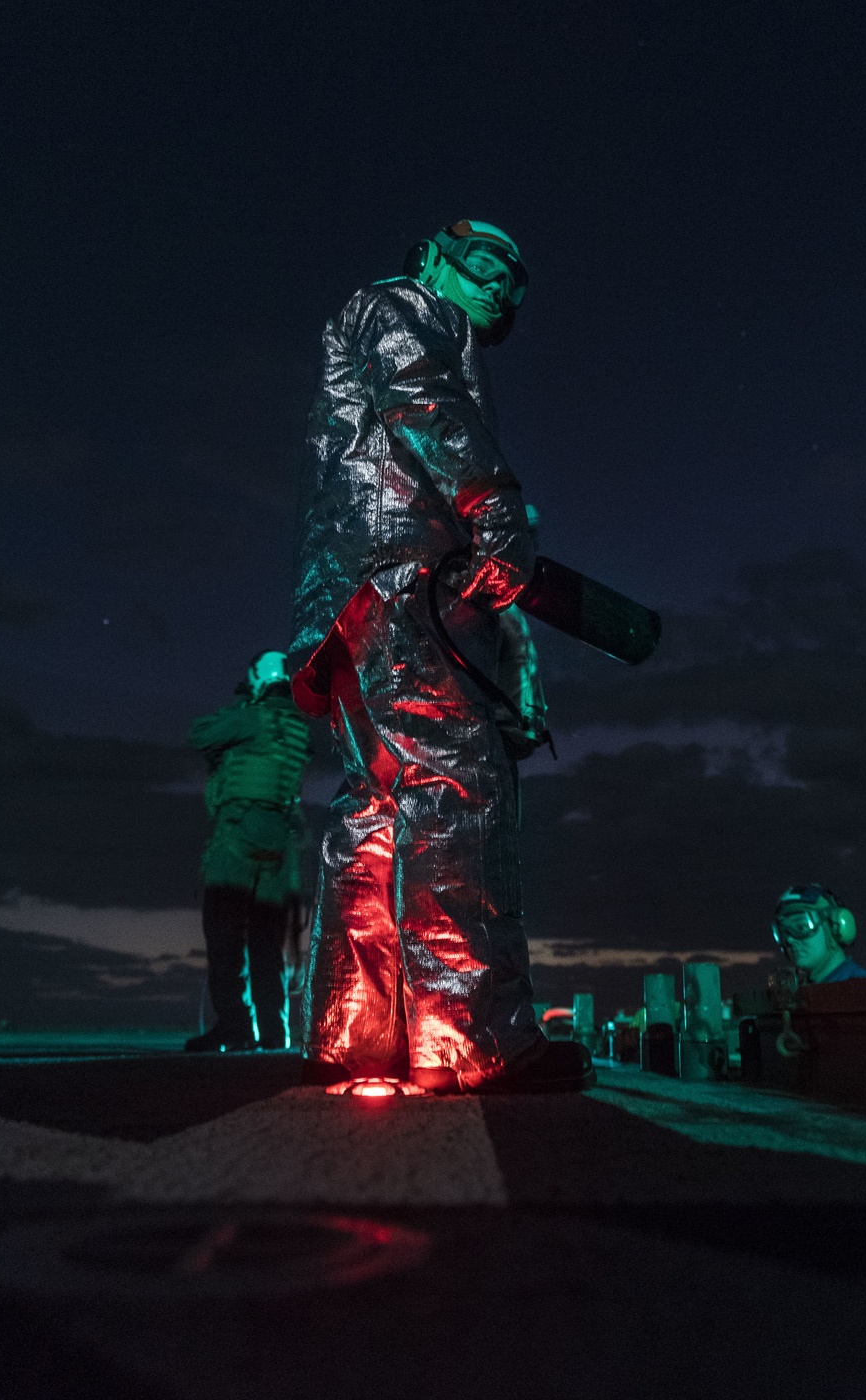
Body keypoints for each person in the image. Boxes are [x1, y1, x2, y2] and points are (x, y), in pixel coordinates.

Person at [289, 218, 592, 1093]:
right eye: (484, 264)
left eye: (512, 279)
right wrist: (496, 508)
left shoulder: (382, 318)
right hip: (409, 578)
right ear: (432, 257)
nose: (500, 284)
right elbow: (426, 400)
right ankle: (475, 1038)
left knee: (377, 805)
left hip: (353, 595)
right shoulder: (402, 307)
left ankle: (356, 1032)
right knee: (459, 784)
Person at [185, 650, 312, 1052]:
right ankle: (274, 1033)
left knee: (223, 932)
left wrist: (241, 705)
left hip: (239, 837)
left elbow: (199, 733)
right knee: (266, 942)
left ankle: (236, 1027)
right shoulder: (296, 727)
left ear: (258, 679)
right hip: (278, 847)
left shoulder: (253, 719)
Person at [771, 883, 866, 984]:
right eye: (784, 932)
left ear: (834, 927)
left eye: (801, 927)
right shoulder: (798, 994)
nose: (789, 940)